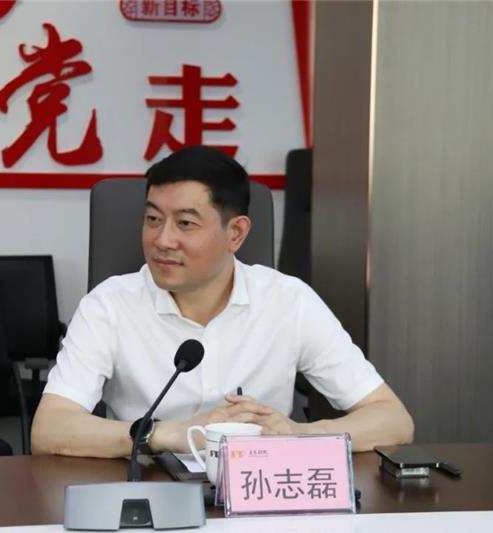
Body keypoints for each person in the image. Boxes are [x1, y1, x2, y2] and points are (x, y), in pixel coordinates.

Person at [32, 145, 413, 458]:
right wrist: (166, 434)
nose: (162, 240)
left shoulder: (288, 301)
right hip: (146, 492)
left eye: (185, 223)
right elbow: (49, 429)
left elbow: (393, 420)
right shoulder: (109, 305)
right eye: (153, 219)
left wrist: (297, 434)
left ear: (236, 234)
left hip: (262, 494)